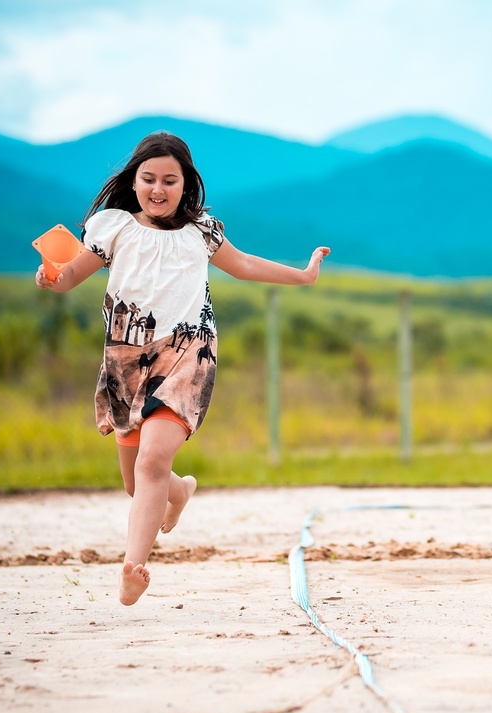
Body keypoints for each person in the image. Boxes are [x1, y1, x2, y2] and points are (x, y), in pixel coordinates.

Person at [36, 132, 329, 605]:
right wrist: (51, 277)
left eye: (169, 180)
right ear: (133, 182)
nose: (158, 189)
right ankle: (180, 492)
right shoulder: (112, 228)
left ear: (185, 184)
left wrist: (305, 274)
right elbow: (69, 276)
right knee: (138, 482)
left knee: (153, 460)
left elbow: (246, 265)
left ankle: (133, 566)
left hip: (189, 354)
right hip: (126, 360)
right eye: (148, 178)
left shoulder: (202, 232)